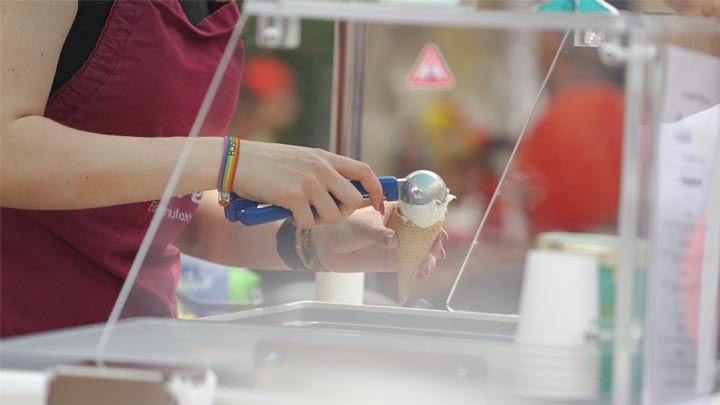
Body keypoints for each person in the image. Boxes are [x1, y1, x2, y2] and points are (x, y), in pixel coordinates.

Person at [0, 0, 445, 337]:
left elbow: (165, 210)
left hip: (137, 345)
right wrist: (229, 160)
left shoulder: (221, 9)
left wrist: (310, 239)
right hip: (25, 346)